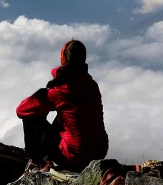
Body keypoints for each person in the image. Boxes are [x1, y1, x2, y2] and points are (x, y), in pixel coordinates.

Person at [16, 40, 109, 175]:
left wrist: (45, 95)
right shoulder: (92, 84)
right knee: (67, 115)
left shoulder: (63, 90)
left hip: (74, 157)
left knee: (31, 118)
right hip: (98, 152)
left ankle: (37, 162)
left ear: (63, 59)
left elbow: (22, 110)